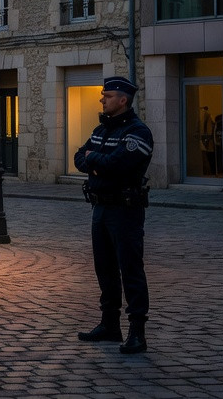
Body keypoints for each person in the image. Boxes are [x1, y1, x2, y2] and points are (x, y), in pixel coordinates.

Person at [73, 76, 154, 354]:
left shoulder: (137, 132)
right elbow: (78, 157)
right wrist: (96, 162)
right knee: (104, 269)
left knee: (130, 269)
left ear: (123, 100)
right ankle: (110, 324)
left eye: (107, 96)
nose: (101, 100)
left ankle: (137, 332)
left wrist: (94, 161)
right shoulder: (100, 129)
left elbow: (119, 164)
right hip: (101, 208)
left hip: (125, 210)